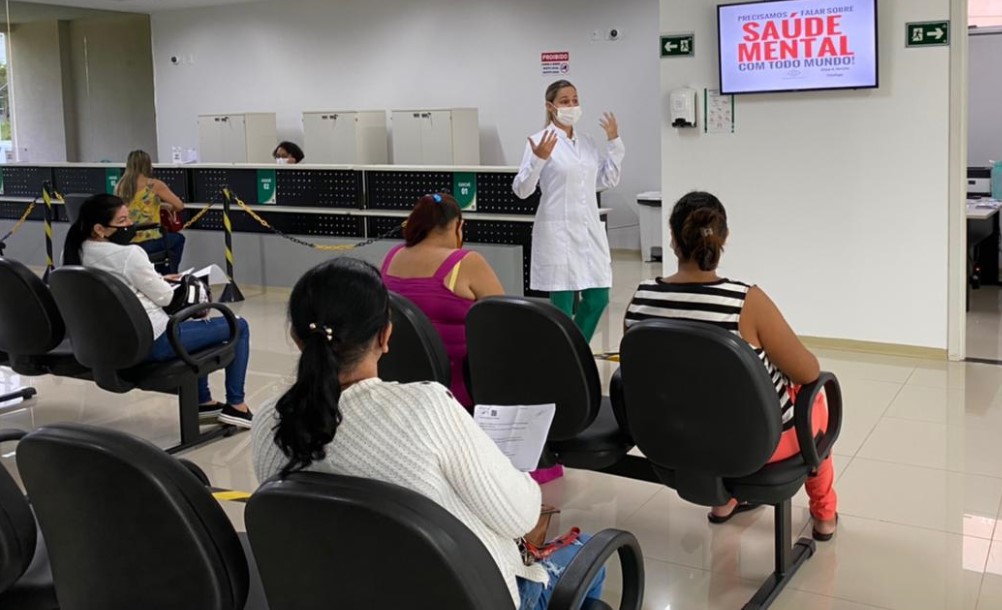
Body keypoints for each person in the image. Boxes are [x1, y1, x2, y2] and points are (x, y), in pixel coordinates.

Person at [252, 258, 605, 609]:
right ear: (385, 335)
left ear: (297, 337)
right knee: (590, 555)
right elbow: (521, 516)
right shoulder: (425, 407)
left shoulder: (269, 419)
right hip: (465, 596)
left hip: (337, 593)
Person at [624, 191, 838, 541]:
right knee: (814, 396)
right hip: (758, 445)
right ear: (723, 240)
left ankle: (725, 502)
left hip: (672, 439)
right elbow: (808, 372)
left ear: (674, 240)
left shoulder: (642, 298)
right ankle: (824, 514)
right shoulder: (744, 301)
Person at [62, 194, 253, 428]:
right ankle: (237, 405)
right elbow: (167, 297)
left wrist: (155, 277)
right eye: (122, 221)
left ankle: (203, 402)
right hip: (153, 341)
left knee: (193, 329)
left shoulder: (73, 253)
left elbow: (116, 282)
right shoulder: (129, 255)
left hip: (112, 342)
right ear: (100, 229)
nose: (129, 225)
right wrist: (173, 282)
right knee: (238, 325)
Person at [512, 79, 625, 344]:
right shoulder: (538, 141)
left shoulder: (586, 142)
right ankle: (564, 356)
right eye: (565, 101)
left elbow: (607, 180)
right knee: (562, 306)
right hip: (557, 232)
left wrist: (614, 142)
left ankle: (577, 347)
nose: (572, 105)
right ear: (550, 107)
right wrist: (539, 158)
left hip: (588, 231)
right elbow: (522, 189)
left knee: (599, 296)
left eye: (575, 100)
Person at [381, 193, 504, 409]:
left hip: (400, 389)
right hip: (455, 392)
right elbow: (504, 319)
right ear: (458, 225)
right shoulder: (466, 262)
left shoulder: (393, 257)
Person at [114, 150, 187, 274]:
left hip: (127, 241)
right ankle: (169, 274)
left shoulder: (120, 186)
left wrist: (160, 206)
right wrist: (169, 207)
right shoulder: (153, 185)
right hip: (148, 240)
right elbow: (179, 205)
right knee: (178, 239)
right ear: (147, 165)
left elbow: (133, 206)